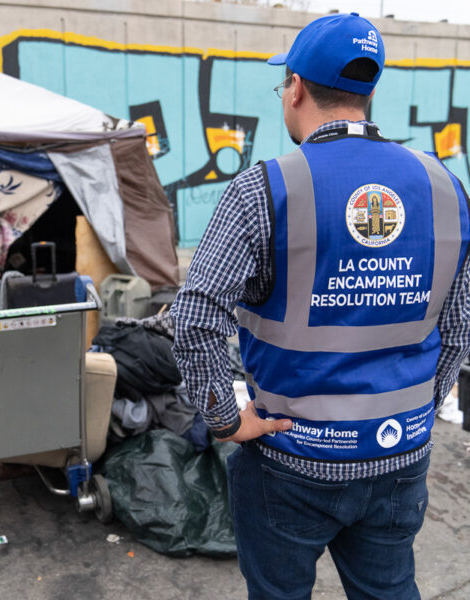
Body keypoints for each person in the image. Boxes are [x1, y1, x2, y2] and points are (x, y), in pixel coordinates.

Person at [171, 12, 470, 599]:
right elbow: (458, 328)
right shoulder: (445, 187)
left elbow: (195, 315)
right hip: (399, 456)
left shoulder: (265, 187)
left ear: (297, 88)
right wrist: (416, 415)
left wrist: (225, 420)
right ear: (368, 92)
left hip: (288, 462)